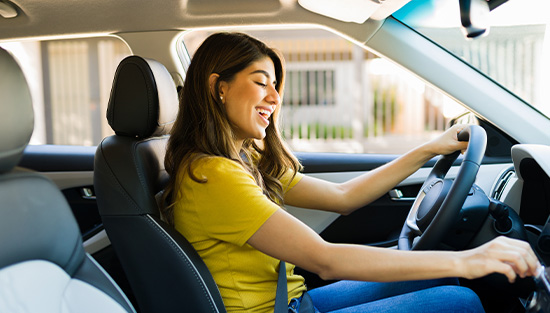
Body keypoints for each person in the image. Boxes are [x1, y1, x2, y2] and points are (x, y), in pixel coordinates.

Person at [161, 32, 540, 313]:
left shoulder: (241, 162)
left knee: (442, 277)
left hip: (293, 300)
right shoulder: (212, 175)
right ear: (218, 88)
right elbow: (325, 259)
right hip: (278, 310)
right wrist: (469, 259)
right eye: (261, 82)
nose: (275, 99)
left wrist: (428, 149)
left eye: (275, 86)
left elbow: (343, 198)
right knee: (459, 300)